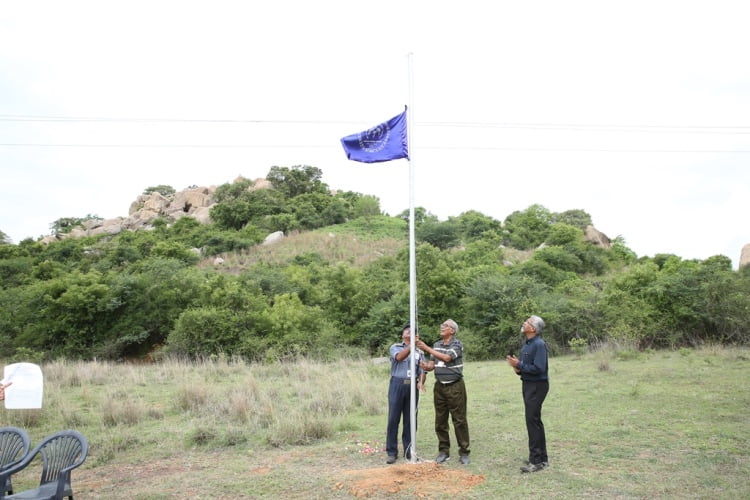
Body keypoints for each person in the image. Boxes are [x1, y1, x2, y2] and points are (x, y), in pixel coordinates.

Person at [417, 319, 471, 465]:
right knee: (440, 420)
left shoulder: (457, 344)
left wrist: (426, 348)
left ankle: (464, 452)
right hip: (439, 387)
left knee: (459, 420)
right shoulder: (437, 345)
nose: (442, 327)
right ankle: (443, 451)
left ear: (452, 330)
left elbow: (447, 358)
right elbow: (432, 364)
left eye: (445, 326)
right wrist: (426, 366)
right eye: (442, 325)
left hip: (455, 386)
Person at [506, 315, 550, 473]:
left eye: (528, 322)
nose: (524, 323)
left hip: (537, 386)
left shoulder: (539, 344)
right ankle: (542, 458)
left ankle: (536, 461)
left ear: (533, 328)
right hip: (528, 384)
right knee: (535, 421)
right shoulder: (526, 344)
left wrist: (519, 364)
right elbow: (524, 369)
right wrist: (516, 366)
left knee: (532, 422)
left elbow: (539, 368)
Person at [386, 324, 426, 464]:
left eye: (413, 331)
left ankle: (409, 450)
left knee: (410, 420)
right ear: (403, 335)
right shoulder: (395, 347)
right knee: (393, 419)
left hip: (412, 386)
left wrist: (421, 381)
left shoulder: (420, 352)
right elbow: (399, 358)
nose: (410, 332)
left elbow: (423, 370)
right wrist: (412, 346)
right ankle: (391, 452)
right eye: (407, 331)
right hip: (397, 384)